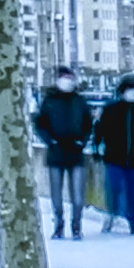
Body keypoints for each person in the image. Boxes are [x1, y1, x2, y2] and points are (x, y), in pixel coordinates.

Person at [32, 73, 94, 239]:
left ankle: (76, 226)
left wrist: (82, 141)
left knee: (78, 196)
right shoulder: (49, 101)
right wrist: (50, 141)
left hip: (76, 152)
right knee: (56, 195)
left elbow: (88, 124)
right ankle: (59, 225)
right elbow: (40, 123)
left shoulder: (79, 101)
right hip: (56, 152)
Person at [94, 82, 134, 233]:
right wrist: (96, 147)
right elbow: (100, 129)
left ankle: (133, 222)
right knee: (113, 188)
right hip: (114, 157)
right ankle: (111, 214)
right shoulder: (111, 109)